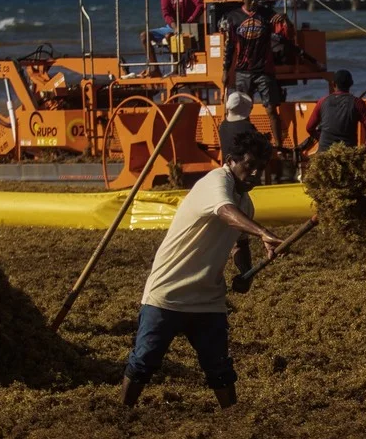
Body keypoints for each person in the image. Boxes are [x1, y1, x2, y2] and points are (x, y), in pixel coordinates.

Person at [120, 132, 283, 409]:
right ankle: (123, 412)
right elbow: (224, 211)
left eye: (260, 169)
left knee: (219, 366)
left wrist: (246, 273)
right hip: (169, 292)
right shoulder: (216, 182)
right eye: (250, 166)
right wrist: (263, 233)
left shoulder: (246, 203)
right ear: (230, 161)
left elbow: (237, 245)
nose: (255, 174)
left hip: (208, 298)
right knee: (144, 361)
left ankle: (232, 417)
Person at [222, 0, 284, 150]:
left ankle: (278, 146)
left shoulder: (267, 14)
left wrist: (284, 20)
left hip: (264, 70)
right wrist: (226, 71)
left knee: (271, 109)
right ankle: (246, 147)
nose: (254, 2)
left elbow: (284, 32)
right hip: (243, 71)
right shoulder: (233, 17)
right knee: (242, 113)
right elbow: (228, 46)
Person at [141, 0, 203, 76]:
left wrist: (190, 21)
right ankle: (155, 68)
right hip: (171, 27)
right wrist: (174, 26)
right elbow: (166, 12)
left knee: (170, 36)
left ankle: (177, 67)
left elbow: (200, 4)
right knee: (144, 35)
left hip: (187, 26)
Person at [304, 69, 366, 152]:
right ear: (351, 84)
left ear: (333, 84)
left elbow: (309, 127)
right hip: (348, 155)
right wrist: (365, 145)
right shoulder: (357, 103)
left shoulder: (322, 101)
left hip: (324, 155)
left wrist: (320, 138)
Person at [218, 91, 261, 162]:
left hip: (228, 164)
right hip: (242, 166)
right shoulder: (247, 127)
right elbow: (257, 147)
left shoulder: (223, 125)